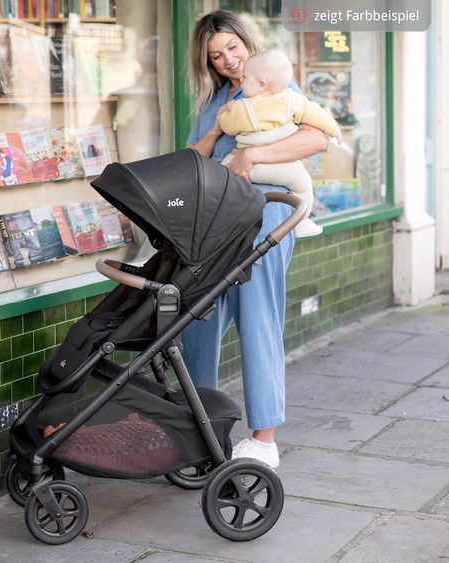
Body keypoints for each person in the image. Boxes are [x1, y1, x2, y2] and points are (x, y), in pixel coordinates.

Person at [182, 10, 327, 468]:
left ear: (248, 43)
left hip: (267, 219)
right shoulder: (214, 99)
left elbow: (316, 138)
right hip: (217, 223)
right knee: (197, 318)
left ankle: (264, 438)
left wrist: (255, 153)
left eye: (233, 48)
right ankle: (199, 428)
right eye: (216, 55)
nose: (228, 60)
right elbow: (195, 156)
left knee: (257, 318)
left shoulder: (274, 85)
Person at [220, 50, 342, 237]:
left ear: (261, 85)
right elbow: (316, 114)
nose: (241, 82)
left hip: (250, 167)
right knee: (304, 186)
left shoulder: (243, 108)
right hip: (286, 169)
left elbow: (228, 127)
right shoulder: (292, 99)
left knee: (223, 175)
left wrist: (225, 114)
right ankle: (300, 221)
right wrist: (334, 130)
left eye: (244, 78)